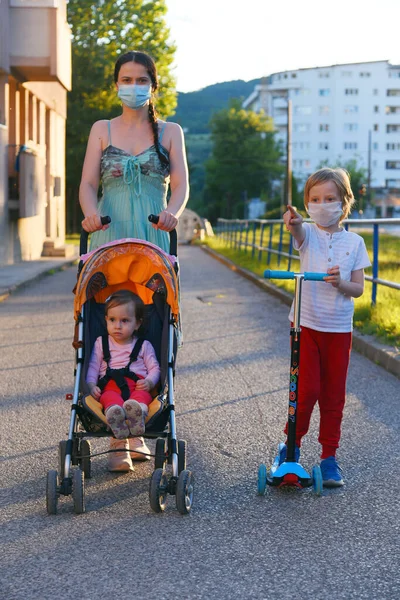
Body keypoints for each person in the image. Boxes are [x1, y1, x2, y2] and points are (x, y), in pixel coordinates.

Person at [79, 50, 189, 470]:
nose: (133, 85)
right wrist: (88, 212)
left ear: (153, 85)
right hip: (108, 236)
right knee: (109, 328)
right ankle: (114, 441)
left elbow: (180, 185)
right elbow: (88, 184)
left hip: (153, 238)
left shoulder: (170, 132)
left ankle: (139, 429)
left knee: (149, 327)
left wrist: (174, 213)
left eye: (141, 79)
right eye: (126, 78)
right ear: (116, 84)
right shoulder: (101, 129)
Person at [280, 167, 371, 487]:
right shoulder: (308, 235)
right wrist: (294, 225)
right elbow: (298, 233)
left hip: (338, 329)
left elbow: (359, 289)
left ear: (345, 202)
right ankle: (291, 448)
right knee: (306, 391)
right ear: (307, 204)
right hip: (306, 324)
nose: (322, 204)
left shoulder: (355, 243)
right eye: (315, 199)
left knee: (333, 396)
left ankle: (329, 457)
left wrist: (341, 283)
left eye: (330, 198)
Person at [87, 290, 160, 469]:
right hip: (109, 386)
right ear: (106, 320)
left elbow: (155, 368)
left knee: (140, 398)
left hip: (138, 385)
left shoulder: (144, 346)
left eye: (125, 321)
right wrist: (90, 384)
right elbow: (93, 367)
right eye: (112, 320)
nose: (117, 326)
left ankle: (138, 414)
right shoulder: (100, 343)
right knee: (109, 399)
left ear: (137, 324)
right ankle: (117, 423)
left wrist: (150, 382)